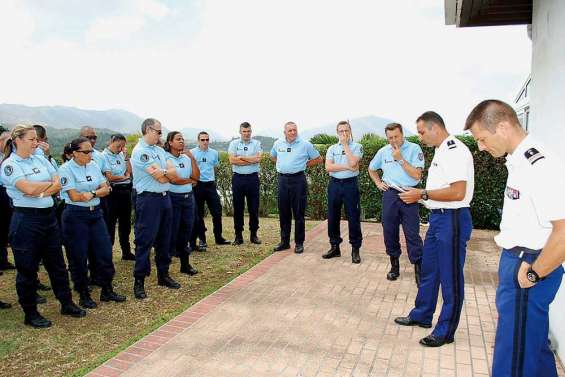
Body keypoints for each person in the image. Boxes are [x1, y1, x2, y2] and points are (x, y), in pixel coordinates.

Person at [466, 100, 565, 376]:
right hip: (521, 260)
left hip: (530, 264)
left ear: (503, 126)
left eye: (482, 139)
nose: (481, 147)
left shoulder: (538, 164)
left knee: (514, 357)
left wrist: (534, 274)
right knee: (532, 347)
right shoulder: (520, 161)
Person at [393, 111, 474, 347]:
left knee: (450, 277)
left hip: (453, 218)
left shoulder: (455, 150)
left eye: (421, 132)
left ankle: (445, 331)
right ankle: (422, 314)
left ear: (434, 128)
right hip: (438, 217)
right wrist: (422, 198)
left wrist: (422, 194)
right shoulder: (441, 151)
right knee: (430, 269)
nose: (419, 137)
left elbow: (458, 192)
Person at [0, 124, 85, 328]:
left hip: (48, 218)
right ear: (18, 140)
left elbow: (58, 181)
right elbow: (27, 188)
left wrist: (39, 190)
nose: (36, 143)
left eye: (36, 139)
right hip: (26, 221)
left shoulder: (39, 158)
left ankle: (66, 303)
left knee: (57, 264)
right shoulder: (10, 165)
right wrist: (45, 188)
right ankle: (31, 313)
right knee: (27, 268)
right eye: (31, 139)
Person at [59, 137, 126, 308]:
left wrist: (93, 194)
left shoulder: (94, 166)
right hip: (75, 216)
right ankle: (83, 293)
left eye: (91, 151)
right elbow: (75, 196)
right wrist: (97, 192)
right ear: (74, 153)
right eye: (86, 152)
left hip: (95, 213)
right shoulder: (66, 169)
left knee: (104, 252)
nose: (90, 154)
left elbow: (107, 189)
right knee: (78, 256)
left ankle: (107, 289)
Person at [368, 123, 424, 285]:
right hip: (390, 194)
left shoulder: (414, 149)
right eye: (390, 138)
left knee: (412, 233)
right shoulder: (383, 151)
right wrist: (378, 183)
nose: (393, 140)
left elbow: (417, 176)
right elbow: (372, 169)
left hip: (409, 193)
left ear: (402, 134)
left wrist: (400, 159)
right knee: (389, 231)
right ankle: (394, 265)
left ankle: (418, 267)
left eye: (396, 137)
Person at [131, 118, 180, 299]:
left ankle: (163, 274)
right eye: (158, 132)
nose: (160, 135)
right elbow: (160, 177)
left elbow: (174, 174)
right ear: (148, 130)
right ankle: (139, 281)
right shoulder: (140, 152)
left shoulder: (159, 150)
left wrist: (165, 173)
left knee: (165, 239)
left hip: (165, 199)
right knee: (145, 240)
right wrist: (166, 173)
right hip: (149, 199)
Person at [270, 121, 322, 254]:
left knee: (298, 213)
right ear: (284, 132)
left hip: (298, 180)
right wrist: (283, 165)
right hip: (282, 180)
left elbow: (318, 159)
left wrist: (303, 165)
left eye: (295, 130)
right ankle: (284, 242)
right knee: (284, 212)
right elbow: (272, 156)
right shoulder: (278, 143)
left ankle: (299, 243)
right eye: (290, 131)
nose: (293, 132)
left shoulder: (305, 145)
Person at [322, 121, 363, 263]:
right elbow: (328, 167)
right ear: (337, 132)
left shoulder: (358, 147)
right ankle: (335, 247)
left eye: (346, 130)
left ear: (350, 131)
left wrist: (346, 145)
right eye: (341, 131)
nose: (343, 133)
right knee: (333, 216)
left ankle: (355, 249)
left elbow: (354, 163)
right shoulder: (332, 148)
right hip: (334, 185)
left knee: (353, 217)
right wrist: (347, 166)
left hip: (350, 185)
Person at [164, 131, 199, 275]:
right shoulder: (166, 158)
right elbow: (175, 180)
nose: (182, 141)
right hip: (173, 198)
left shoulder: (186, 158)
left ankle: (185, 265)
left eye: (183, 139)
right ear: (170, 142)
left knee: (186, 231)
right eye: (178, 139)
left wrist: (191, 158)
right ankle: (165, 267)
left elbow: (197, 176)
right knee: (172, 231)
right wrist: (190, 181)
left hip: (188, 198)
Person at [190, 132, 230, 251]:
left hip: (210, 185)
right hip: (198, 186)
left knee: (217, 212)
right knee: (199, 215)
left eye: (207, 139)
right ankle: (202, 240)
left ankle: (219, 237)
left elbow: (215, 167)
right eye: (202, 140)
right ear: (198, 141)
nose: (205, 142)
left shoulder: (214, 153)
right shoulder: (192, 153)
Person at [227, 122, 262, 245]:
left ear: (251, 132)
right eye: (244, 131)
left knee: (254, 208)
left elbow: (258, 159)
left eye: (249, 131)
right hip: (238, 179)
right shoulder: (234, 143)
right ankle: (238, 236)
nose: (247, 134)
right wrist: (250, 160)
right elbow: (232, 160)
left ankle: (254, 235)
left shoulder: (257, 143)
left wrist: (241, 158)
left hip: (253, 179)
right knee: (238, 208)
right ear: (240, 132)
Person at [102, 134, 135, 261]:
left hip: (125, 191)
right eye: (118, 146)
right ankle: (107, 254)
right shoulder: (104, 156)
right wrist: (124, 177)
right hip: (113, 193)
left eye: (122, 146)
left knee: (125, 223)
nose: (120, 148)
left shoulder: (121, 154)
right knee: (110, 224)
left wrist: (126, 158)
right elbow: (110, 177)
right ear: (111, 142)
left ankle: (126, 251)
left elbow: (129, 171)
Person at [0, 127, 16, 271]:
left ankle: (3, 260)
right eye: (7, 141)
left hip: (7, 194)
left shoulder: (10, 157)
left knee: (5, 228)